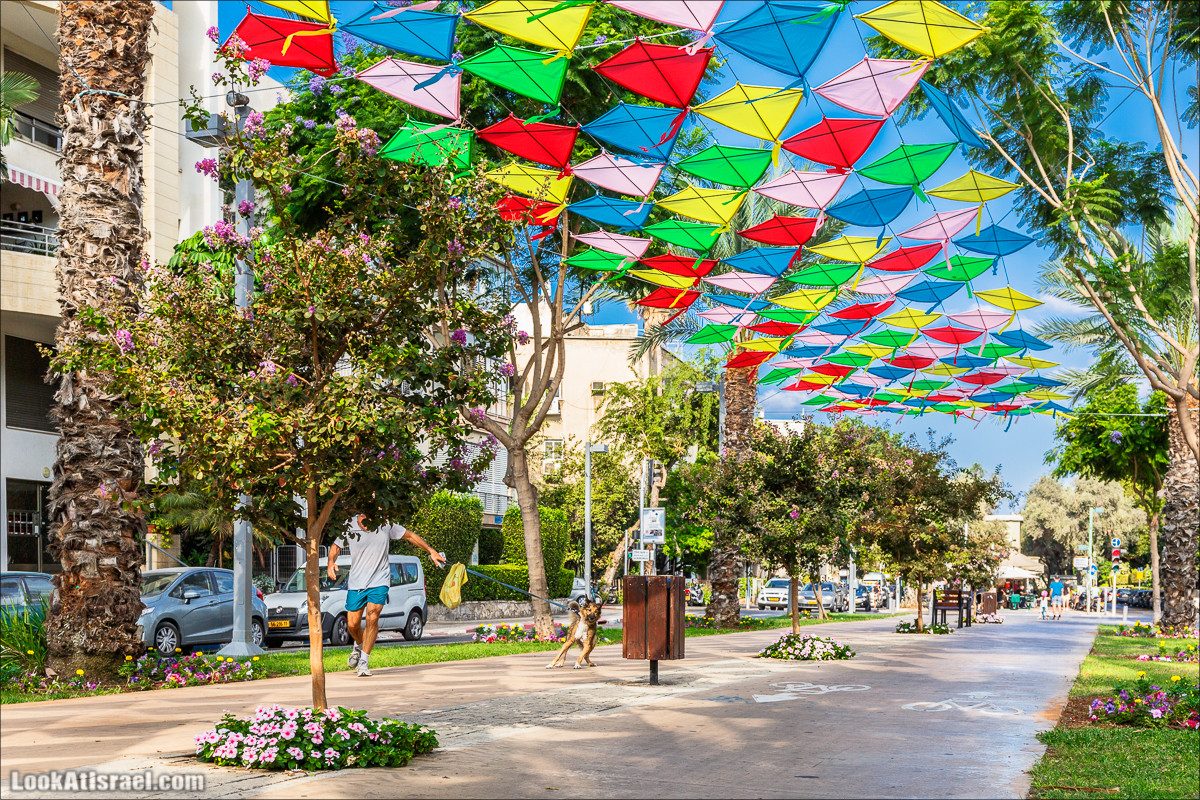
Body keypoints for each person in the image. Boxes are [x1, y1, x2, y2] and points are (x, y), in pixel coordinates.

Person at [327, 514, 446, 676]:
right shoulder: (349, 523)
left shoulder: (385, 523)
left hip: (380, 580)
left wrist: (431, 551)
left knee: (372, 616)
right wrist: (331, 563)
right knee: (352, 625)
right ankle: (358, 646)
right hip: (357, 582)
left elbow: (409, 535)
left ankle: (364, 662)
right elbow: (335, 546)